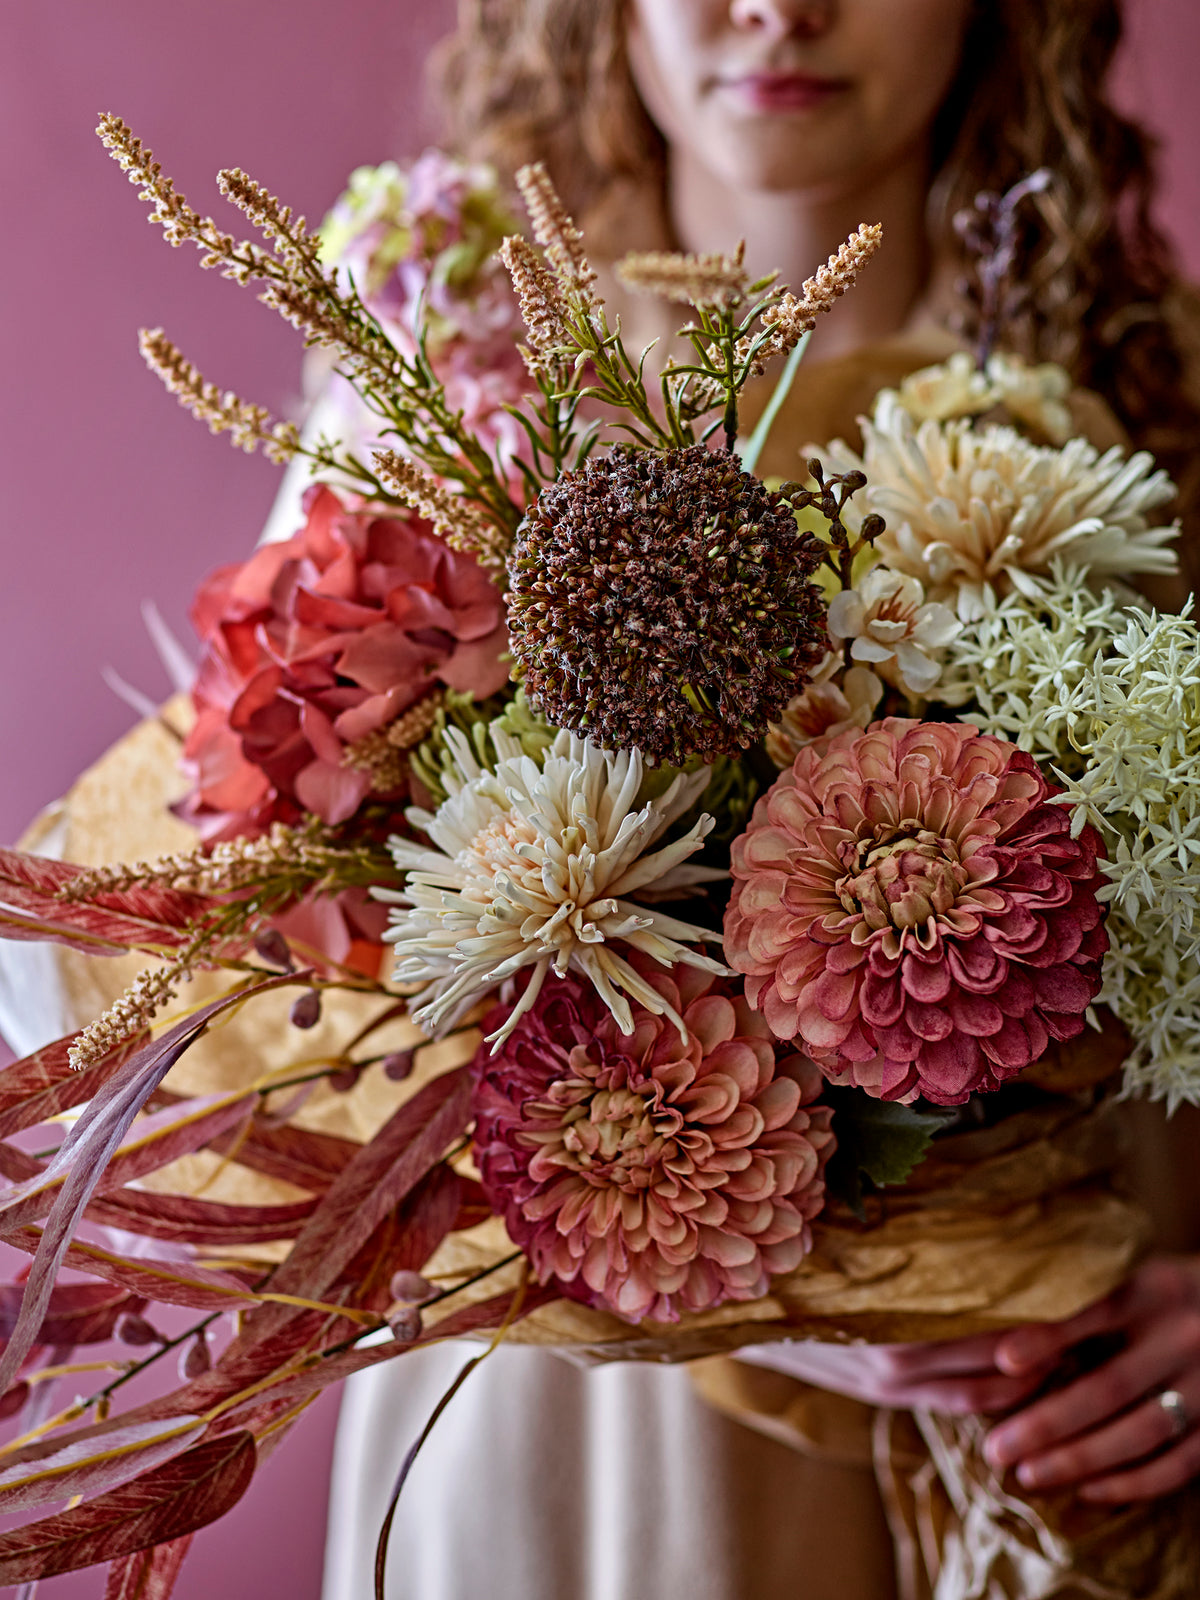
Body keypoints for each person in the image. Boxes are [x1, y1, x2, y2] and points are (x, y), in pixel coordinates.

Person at [319, 3, 1200, 1596]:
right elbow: (297, 961)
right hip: (570, 1416)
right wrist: (766, 1289)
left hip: (1043, 1417)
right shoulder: (447, 356)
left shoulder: (1152, 385)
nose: (777, 6)